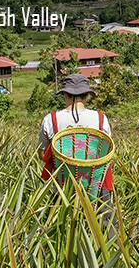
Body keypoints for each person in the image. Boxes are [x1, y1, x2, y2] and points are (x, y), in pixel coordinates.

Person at [38, 73, 118, 236]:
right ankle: (114, 252)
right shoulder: (100, 118)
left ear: (65, 95)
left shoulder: (50, 119)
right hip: (96, 184)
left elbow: (42, 154)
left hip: (62, 186)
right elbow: (106, 151)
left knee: (59, 230)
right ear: (87, 95)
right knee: (108, 226)